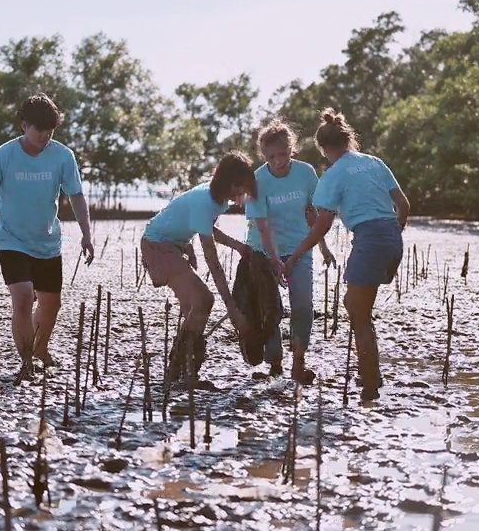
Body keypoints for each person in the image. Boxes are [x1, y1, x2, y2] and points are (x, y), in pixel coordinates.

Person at [287, 108, 409, 402]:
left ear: (324, 149)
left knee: (359, 315)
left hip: (369, 241)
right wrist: (393, 235)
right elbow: (403, 205)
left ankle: (370, 387)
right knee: (355, 305)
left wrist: (295, 255)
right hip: (392, 238)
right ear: (348, 139)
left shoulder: (333, 175)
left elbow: (320, 228)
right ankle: (372, 374)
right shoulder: (375, 162)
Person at [0, 93, 95, 378]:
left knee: (51, 304)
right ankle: (26, 361)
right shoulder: (2, 156)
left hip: (48, 240)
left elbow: (76, 196)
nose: (44, 136)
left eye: (50, 131)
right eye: (39, 129)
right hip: (11, 238)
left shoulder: (63, 156)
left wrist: (87, 234)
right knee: (24, 296)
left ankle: (40, 349)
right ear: (24, 125)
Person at [141, 150, 256, 387]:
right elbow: (213, 262)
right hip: (158, 246)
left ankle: (183, 374)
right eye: (237, 185)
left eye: (244, 185)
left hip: (174, 245)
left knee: (194, 309)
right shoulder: (206, 200)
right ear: (225, 182)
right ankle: (180, 370)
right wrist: (233, 310)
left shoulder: (219, 201)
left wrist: (237, 246)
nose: (241, 191)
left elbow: (205, 227)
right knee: (204, 300)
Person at [244, 119, 336, 384]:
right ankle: (275, 364)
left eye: (282, 154)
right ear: (264, 156)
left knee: (303, 304)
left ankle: (299, 360)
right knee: (271, 308)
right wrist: (275, 260)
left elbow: (314, 215)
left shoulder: (306, 174)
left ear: (292, 150)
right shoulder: (257, 180)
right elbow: (261, 226)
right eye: (271, 156)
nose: (278, 161)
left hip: (299, 247)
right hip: (264, 249)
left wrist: (323, 247)